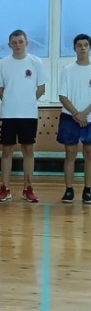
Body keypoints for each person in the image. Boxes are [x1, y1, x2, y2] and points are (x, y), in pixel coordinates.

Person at [0, 29, 48, 203]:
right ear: (9, 44)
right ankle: (5, 188)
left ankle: (28, 188)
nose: (17, 45)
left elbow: (41, 88)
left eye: (20, 41)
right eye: (14, 42)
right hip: (8, 115)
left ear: (26, 42)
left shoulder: (36, 62)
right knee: (7, 150)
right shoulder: (3, 63)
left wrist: (27, 102)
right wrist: (11, 102)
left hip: (28, 115)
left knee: (28, 150)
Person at [56, 33, 91, 203]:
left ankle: (88, 189)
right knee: (70, 153)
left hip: (89, 118)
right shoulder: (67, 70)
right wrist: (77, 114)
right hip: (70, 117)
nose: (82, 48)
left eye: (85, 45)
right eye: (79, 45)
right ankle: (69, 189)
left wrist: (85, 114)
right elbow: (62, 96)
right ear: (74, 48)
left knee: (89, 153)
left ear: (89, 47)